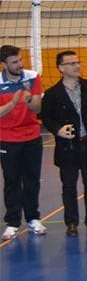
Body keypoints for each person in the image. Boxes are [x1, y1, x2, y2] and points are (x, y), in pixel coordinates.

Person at [40, 51, 87, 237]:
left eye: (78, 62)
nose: (77, 66)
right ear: (61, 68)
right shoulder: (53, 94)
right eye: (71, 63)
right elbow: (45, 117)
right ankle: (71, 223)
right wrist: (58, 130)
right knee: (69, 187)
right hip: (68, 148)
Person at [0, 45, 47, 240]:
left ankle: (33, 218)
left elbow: (37, 109)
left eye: (20, 60)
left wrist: (28, 100)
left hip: (31, 137)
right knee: (12, 180)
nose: (20, 64)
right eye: (14, 62)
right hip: (7, 139)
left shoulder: (32, 76)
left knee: (32, 179)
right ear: (3, 65)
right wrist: (13, 103)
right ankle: (12, 222)